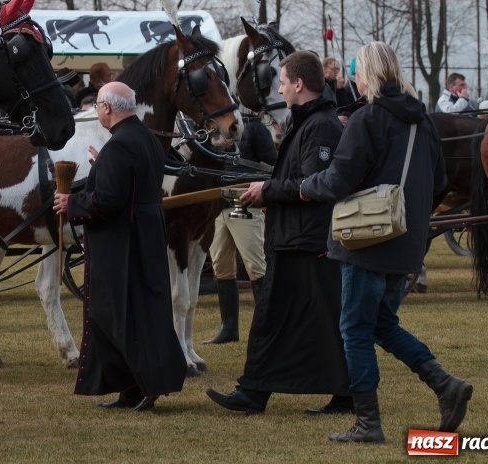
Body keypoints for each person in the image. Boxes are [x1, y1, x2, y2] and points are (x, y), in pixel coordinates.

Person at [300, 41, 473, 443]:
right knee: (380, 323)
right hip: (407, 240)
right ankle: (445, 385)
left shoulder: (367, 119)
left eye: (357, 71)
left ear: (368, 74)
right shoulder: (424, 121)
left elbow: (339, 180)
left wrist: (307, 186)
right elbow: (441, 182)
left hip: (366, 242)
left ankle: (368, 423)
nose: (354, 78)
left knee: (356, 330)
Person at [206, 50, 352, 416]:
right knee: (284, 317)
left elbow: (313, 184)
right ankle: (257, 391)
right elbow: (295, 178)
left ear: (299, 84)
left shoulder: (320, 126)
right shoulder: (307, 122)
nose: (281, 88)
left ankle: (264, 392)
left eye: (284, 82)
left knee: (299, 317)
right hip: (294, 237)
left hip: (307, 239)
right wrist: (266, 186)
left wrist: (267, 191)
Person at [53, 81, 187, 411]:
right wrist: (103, 167)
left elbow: (108, 201)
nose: (96, 110)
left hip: (122, 244)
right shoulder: (144, 139)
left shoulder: (120, 145)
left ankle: (144, 386)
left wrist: (71, 204)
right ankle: (132, 388)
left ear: (108, 109)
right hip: (144, 235)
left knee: (116, 316)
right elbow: (130, 183)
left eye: (98, 105)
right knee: (139, 313)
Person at [203, 115, 277, 344]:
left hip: (240, 202)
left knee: (255, 264)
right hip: (217, 203)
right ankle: (229, 327)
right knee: (221, 266)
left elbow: (271, 166)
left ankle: (267, 328)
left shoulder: (254, 128)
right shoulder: (208, 129)